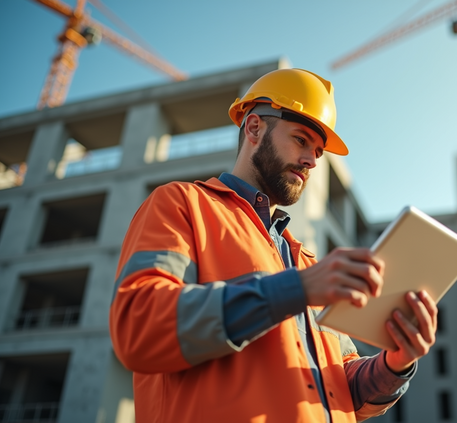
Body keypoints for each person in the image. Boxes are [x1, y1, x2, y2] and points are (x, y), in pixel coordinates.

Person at [109, 68, 438, 423]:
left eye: (318, 151)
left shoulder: (308, 264)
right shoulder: (181, 205)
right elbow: (139, 328)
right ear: (254, 128)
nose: (312, 160)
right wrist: (293, 290)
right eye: (300, 140)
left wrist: (395, 362)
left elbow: (340, 386)